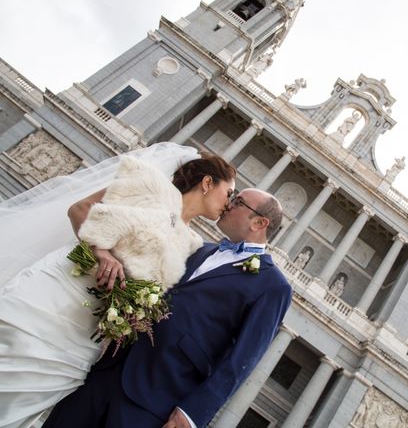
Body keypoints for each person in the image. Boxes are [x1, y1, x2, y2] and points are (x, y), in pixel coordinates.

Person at [0, 143, 236, 428]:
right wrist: (101, 252)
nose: (230, 203)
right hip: (61, 291)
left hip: (88, 329)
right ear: (208, 182)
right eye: (229, 193)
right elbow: (80, 209)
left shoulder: (192, 243)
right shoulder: (148, 184)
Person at [42, 187, 292, 428]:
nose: (228, 204)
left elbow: (242, 360)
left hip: (157, 398)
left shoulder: (272, 285)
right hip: (108, 370)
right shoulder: (201, 249)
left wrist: (193, 414)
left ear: (259, 223)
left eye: (238, 202)